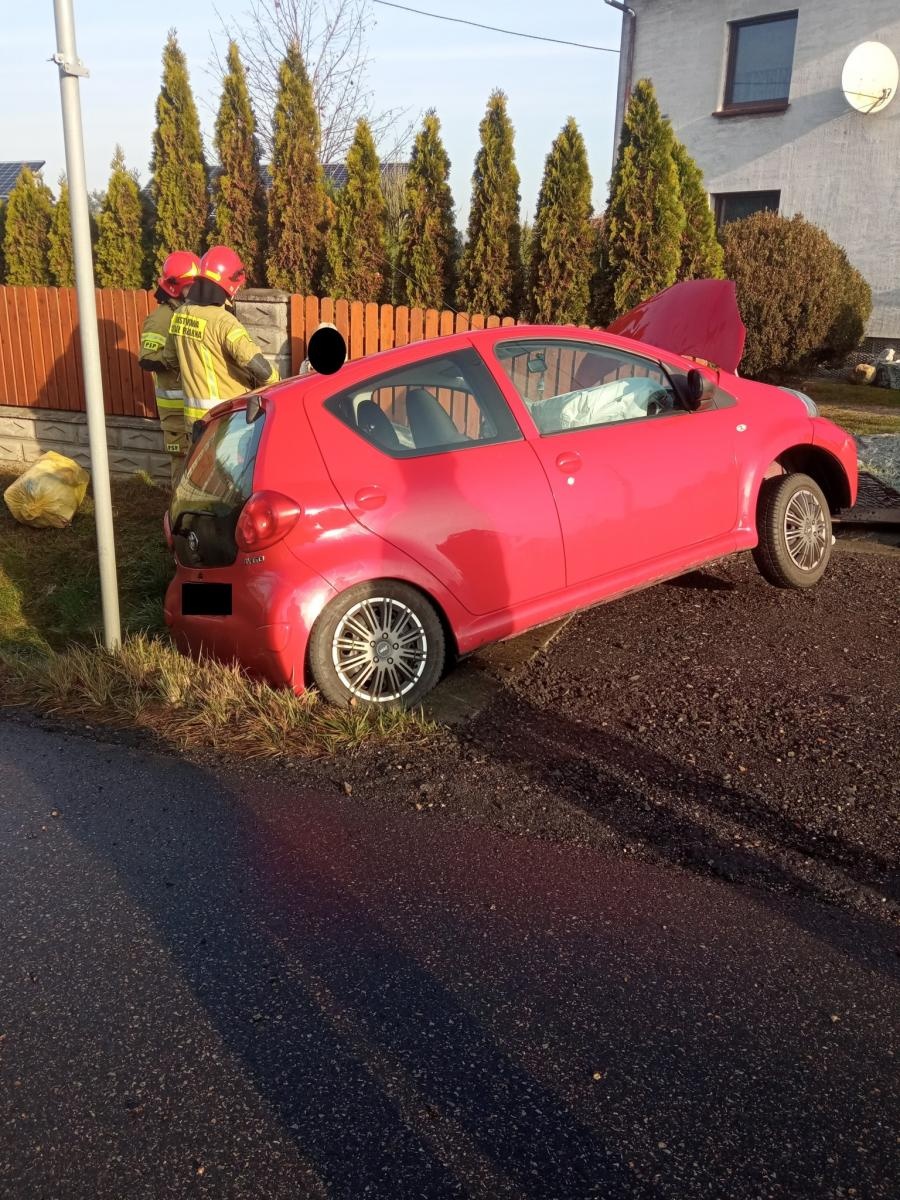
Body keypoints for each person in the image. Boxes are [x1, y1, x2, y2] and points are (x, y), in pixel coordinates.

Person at [163, 245, 279, 437]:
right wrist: (277, 382)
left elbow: (170, 359)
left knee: (202, 467)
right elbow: (257, 365)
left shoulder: (179, 315)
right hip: (225, 418)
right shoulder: (223, 321)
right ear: (228, 282)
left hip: (194, 422)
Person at [138, 250, 200, 484]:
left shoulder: (188, 313)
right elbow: (147, 358)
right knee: (182, 467)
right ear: (176, 287)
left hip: (193, 405)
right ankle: (176, 516)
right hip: (175, 412)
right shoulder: (161, 319)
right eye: (191, 286)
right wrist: (175, 357)